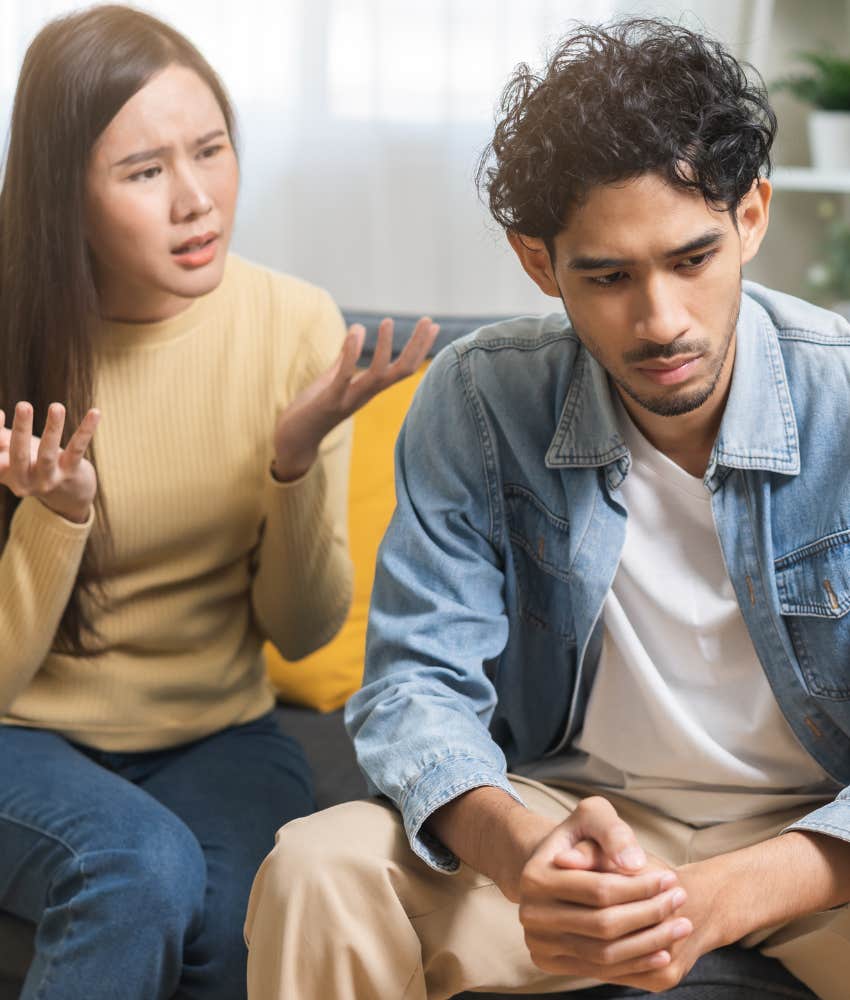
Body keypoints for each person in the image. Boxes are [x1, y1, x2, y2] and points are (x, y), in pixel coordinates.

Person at [244, 18, 850, 1000]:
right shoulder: (479, 400)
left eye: (690, 259)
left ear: (752, 217)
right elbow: (415, 688)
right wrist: (525, 851)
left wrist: (724, 895)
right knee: (321, 870)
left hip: (811, 843)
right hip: (572, 819)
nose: (659, 322)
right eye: (607, 277)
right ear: (538, 262)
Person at [0, 6, 436, 1000]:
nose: (196, 199)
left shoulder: (293, 324)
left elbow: (302, 625)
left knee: (249, 917)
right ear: (64, 192)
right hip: (20, 732)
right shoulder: (11, 325)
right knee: (135, 865)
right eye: (145, 171)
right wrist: (56, 517)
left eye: (211, 151)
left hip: (218, 733)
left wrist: (294, 460)